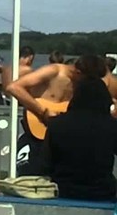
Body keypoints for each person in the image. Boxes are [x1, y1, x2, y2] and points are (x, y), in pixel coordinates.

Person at [7, 54, 104, 176]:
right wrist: (42, 112)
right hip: (38, 133)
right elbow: (14, 87)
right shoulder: (53, 71)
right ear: (78, 72)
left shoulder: (85, 86)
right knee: (31, 174)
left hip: (64, 139)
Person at [41, 61, 117, 201]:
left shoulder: (56, 125)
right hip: (103, 194)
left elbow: (46, 163)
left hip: (64, 193)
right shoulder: (112, 126)